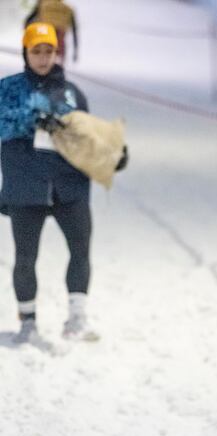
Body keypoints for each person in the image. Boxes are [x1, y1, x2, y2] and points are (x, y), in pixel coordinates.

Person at [1, 22, 96, 343]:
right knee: (26, 257)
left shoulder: (71, 93)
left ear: (57, 53)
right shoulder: (8, 89)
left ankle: (77, 318)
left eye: (49, 51)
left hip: (70, 188)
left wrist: (112, 154)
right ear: (26, 52)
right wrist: (31, 119)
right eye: (36, 51)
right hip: (26, 188)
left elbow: (88, 138)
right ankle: (27, 321)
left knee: (80, 250)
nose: (43, 58)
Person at [25, 0, 78, 65]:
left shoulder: (43, 5)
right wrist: (75, 51)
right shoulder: (68, 9)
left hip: (46, 34)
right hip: (60, 38)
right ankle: (58, 64)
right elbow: (74, 30)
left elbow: (28, 20)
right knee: (58, 56)